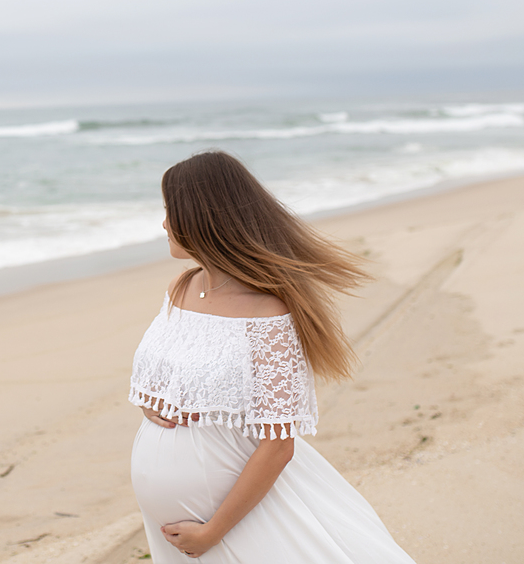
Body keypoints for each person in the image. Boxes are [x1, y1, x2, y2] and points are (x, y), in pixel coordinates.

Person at [129, 150, 417, 562]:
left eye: (169, 210)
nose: (163, 222)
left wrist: (213, 532)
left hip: (236, 523)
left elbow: (278, 445)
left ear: (201, 216)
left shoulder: (268, 313)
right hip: (173, 529)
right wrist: (150, 404)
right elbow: (171, 371)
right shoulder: (182, 286)